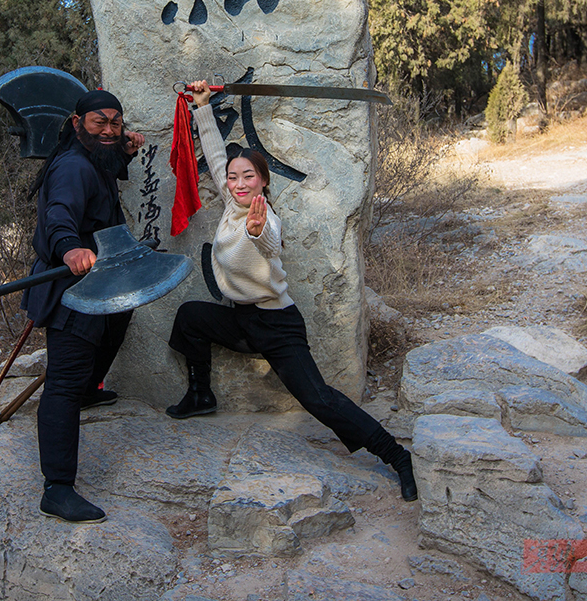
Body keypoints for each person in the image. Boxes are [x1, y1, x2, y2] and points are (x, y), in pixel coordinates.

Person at [165, 80, 418, 501]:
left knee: (319, 400)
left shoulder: (266, 219)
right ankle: (199, 393)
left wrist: (259, 232)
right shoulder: (232, 205)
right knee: (190, 317)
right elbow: (213, 154)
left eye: (248, 176)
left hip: (276, 324)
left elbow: (269, 243)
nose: (239, 183)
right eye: (233, 177)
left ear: (264, 182)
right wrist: (202, 107)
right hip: (241, 321)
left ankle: (397, 456)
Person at [24, 88, 144, 523]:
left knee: (120, 318)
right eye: (100, 123)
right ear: (78, 125)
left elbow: (104, 180)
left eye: (116, 121)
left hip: (102, 280)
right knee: (62, 381)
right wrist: (69, 248)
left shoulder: (95, 154)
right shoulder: (73, 165)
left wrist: (125, 153)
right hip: (71, 285)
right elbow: (59, 215)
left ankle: (88, 391)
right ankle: (56, 488)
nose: (109, 129)